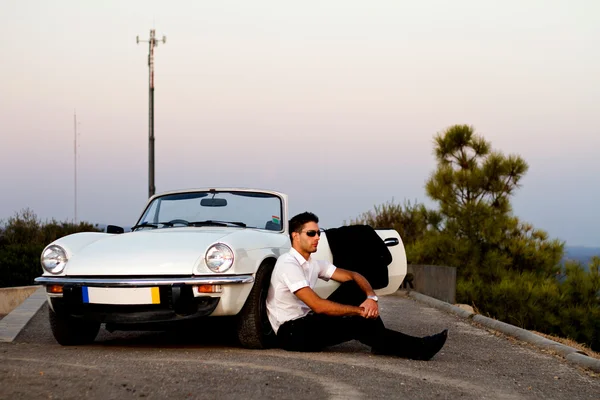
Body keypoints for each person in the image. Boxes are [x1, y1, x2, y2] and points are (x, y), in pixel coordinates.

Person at [266, 211, 448, 360]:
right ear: (295, 236)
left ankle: (382, 342)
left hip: (307, 322)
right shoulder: (288, 264)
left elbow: (353, 275)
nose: (317, 238)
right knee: (357, 323)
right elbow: (318, 306)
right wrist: (360, 311)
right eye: (311, 233)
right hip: (290, 333)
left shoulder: (314, 263)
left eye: (318, 233)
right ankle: (420, 348)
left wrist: (370, 297)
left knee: (354, 286)